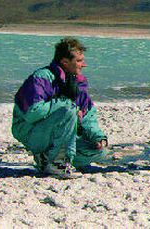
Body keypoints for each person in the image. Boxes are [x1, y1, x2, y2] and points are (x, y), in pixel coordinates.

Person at [12, 37, 108, 179]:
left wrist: (98, 137)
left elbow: (88, 116)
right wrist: (63, 103)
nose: (84, 65)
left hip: (59, 133)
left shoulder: (77, 83)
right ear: (64, 61)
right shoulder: (41, 78)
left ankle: (47, 158)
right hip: (30, 130)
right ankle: (58, 163)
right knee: (68, 110)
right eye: (79, 61)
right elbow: (32, 113)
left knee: (98, 151)